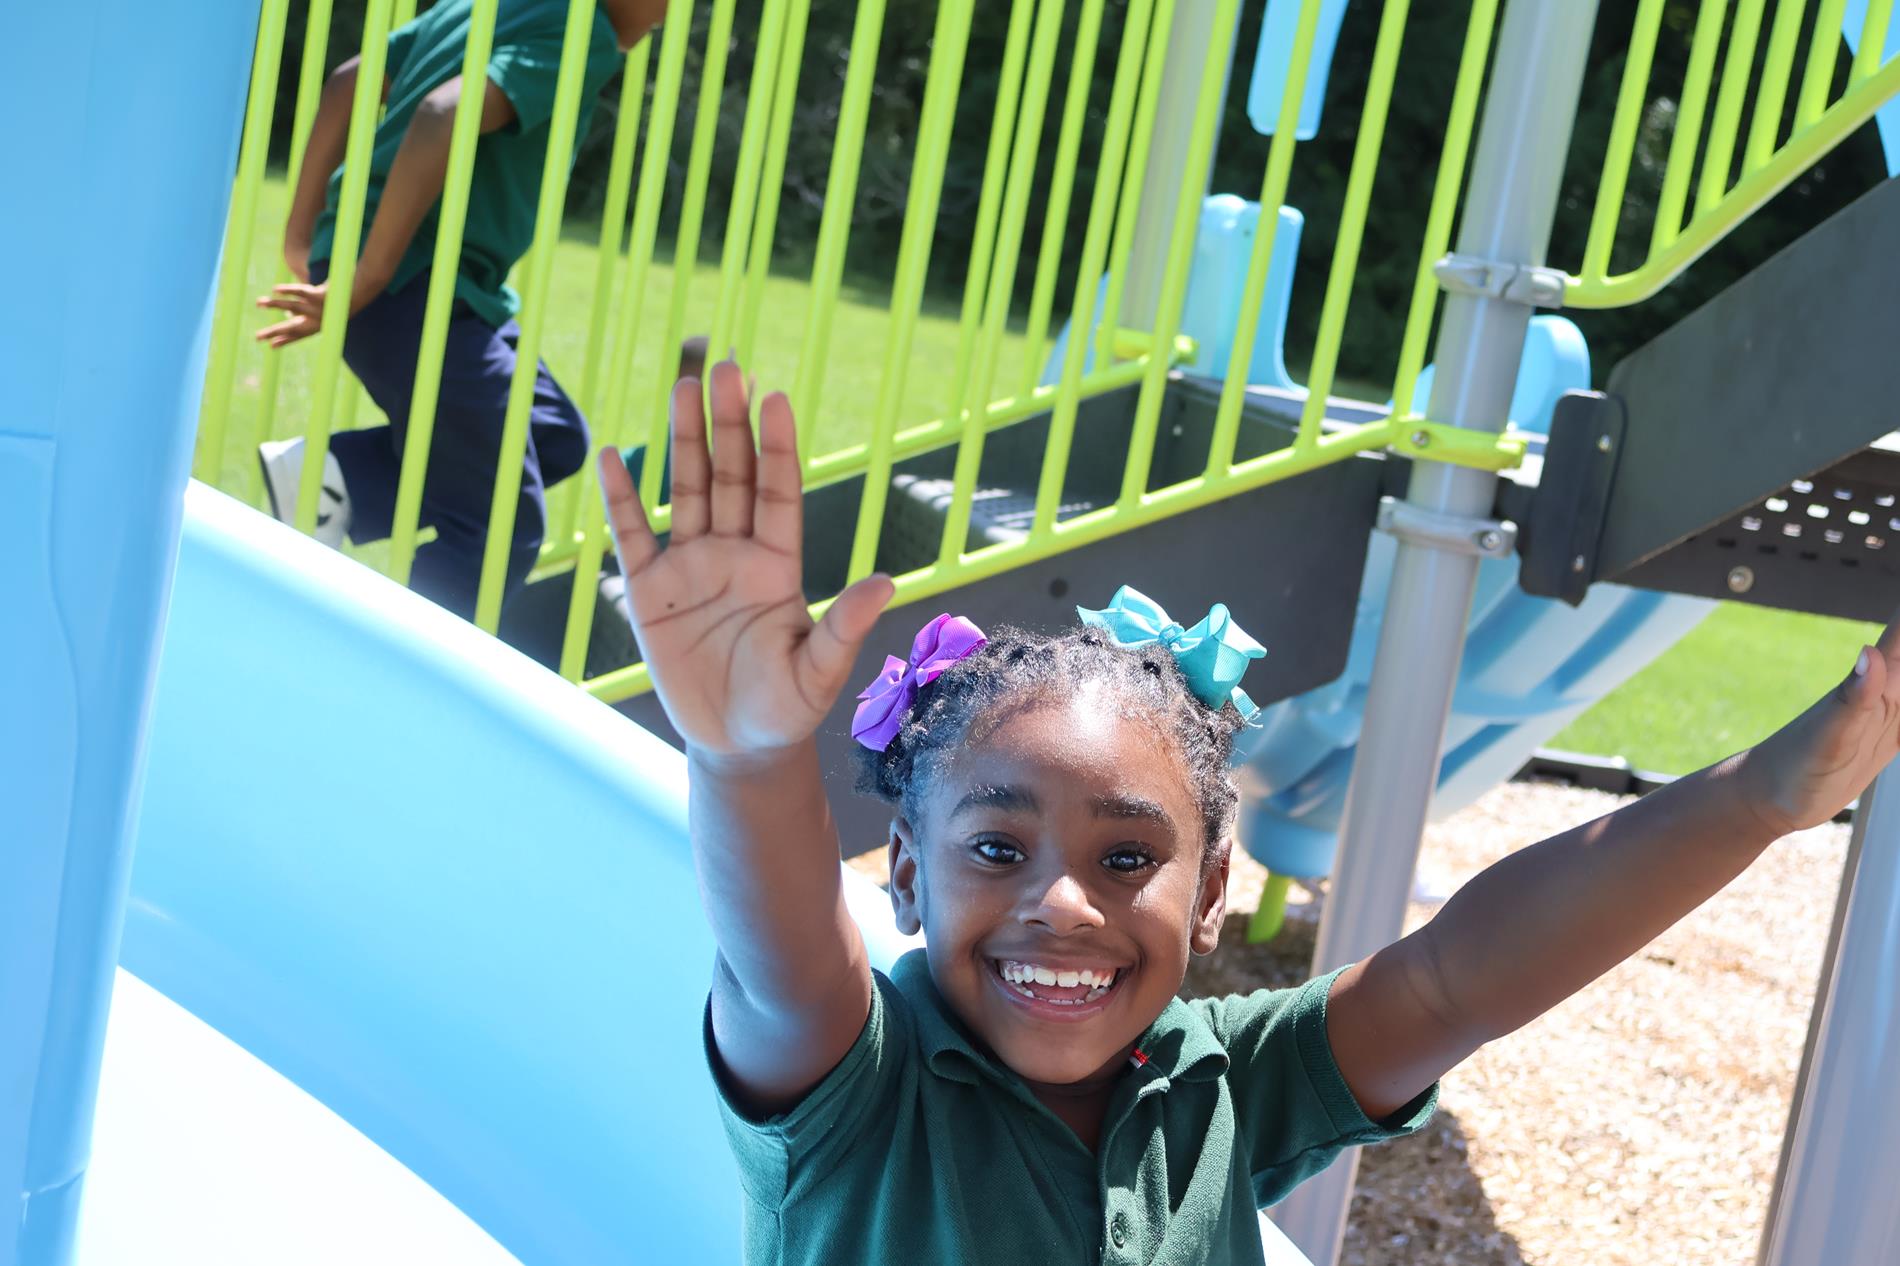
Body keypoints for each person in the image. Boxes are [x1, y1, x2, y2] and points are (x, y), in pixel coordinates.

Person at [597, 360, 1900, 1264]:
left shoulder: (1219, 1083)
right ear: (908, 880)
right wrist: (752, 755)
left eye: (1127, 855)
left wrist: (1768, 796)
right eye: (997, 846)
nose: (1063, 900)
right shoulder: (858, 1085)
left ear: (1210, 891)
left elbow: (1458, 978)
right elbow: (775, 959)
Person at [253, 0, 664, 621]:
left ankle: (336, 476)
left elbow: (351, 80)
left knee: (552, 436)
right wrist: (369, 273)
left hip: (443, 287)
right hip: (411, 284)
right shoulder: (579, 31)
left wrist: (301, 232)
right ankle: (408, 685)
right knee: (500, 524)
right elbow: (442, 114)